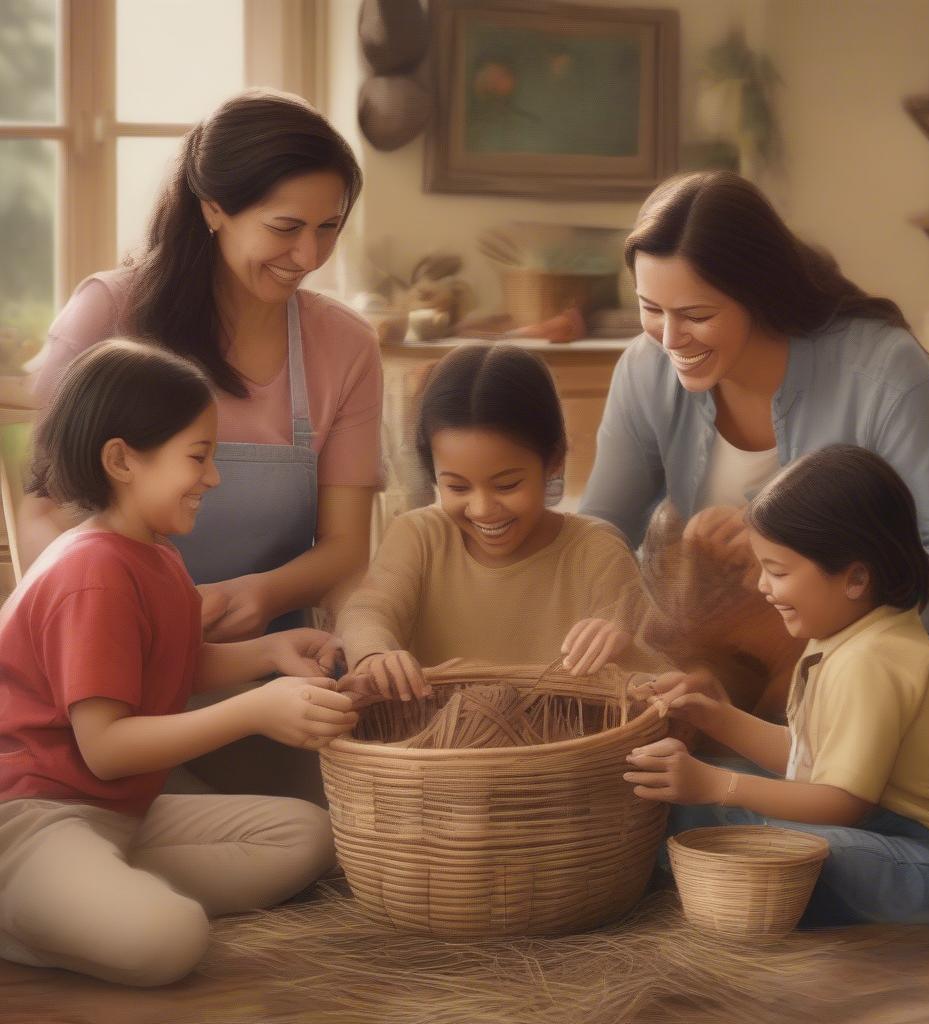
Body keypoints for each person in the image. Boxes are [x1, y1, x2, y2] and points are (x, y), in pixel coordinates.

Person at [580, 170, 929, 719]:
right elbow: (598, 538)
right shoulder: (647, 371)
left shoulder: (879, 369)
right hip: (734, 657)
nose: (670, 340)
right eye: (650, 308)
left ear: (758, 294)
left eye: (697, 315)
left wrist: (820, 568)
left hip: (877, 658)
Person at [0, 340, 369, 986]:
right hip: (32, 820)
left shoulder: (153, 553)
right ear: (122, 460)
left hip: (122, 815)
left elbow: (169, 667)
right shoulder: (93, 571)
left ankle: (90, 896)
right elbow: (107, 747)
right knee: (172, 939)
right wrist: (255, 709)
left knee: (313, 837)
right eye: (198, 457)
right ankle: (36, 904)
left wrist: (270, 653)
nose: (213, 477)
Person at [24, 88, 383, 643]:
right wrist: (130, 613)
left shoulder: (347, 345)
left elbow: (345, 548)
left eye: (328, 227)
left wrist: (262, 596)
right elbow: (40, 510)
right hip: (110, 647)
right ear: (214, 207)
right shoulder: (108, 312)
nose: (310, 258)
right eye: (285, 228)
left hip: (272, 655)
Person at [624, 445, 929, 927]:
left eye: (777, 572)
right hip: (887, 829)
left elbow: (842, 802)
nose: (762, 589)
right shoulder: (840, 638)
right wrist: (718, 716)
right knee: (705, 803)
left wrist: (719, 785)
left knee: (768, 839)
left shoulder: (875, 658)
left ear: (855, 577)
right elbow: (807, 757)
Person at [336, 345, 669, 698]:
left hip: (566, 751)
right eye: (457, 486)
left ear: (553, 460)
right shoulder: (419, 537)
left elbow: (655, 673)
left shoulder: (596, 551)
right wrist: (374, 654)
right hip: (439, 751)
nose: (481, 509)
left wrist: (623, 644)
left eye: (507, 485)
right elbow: (368, 609)